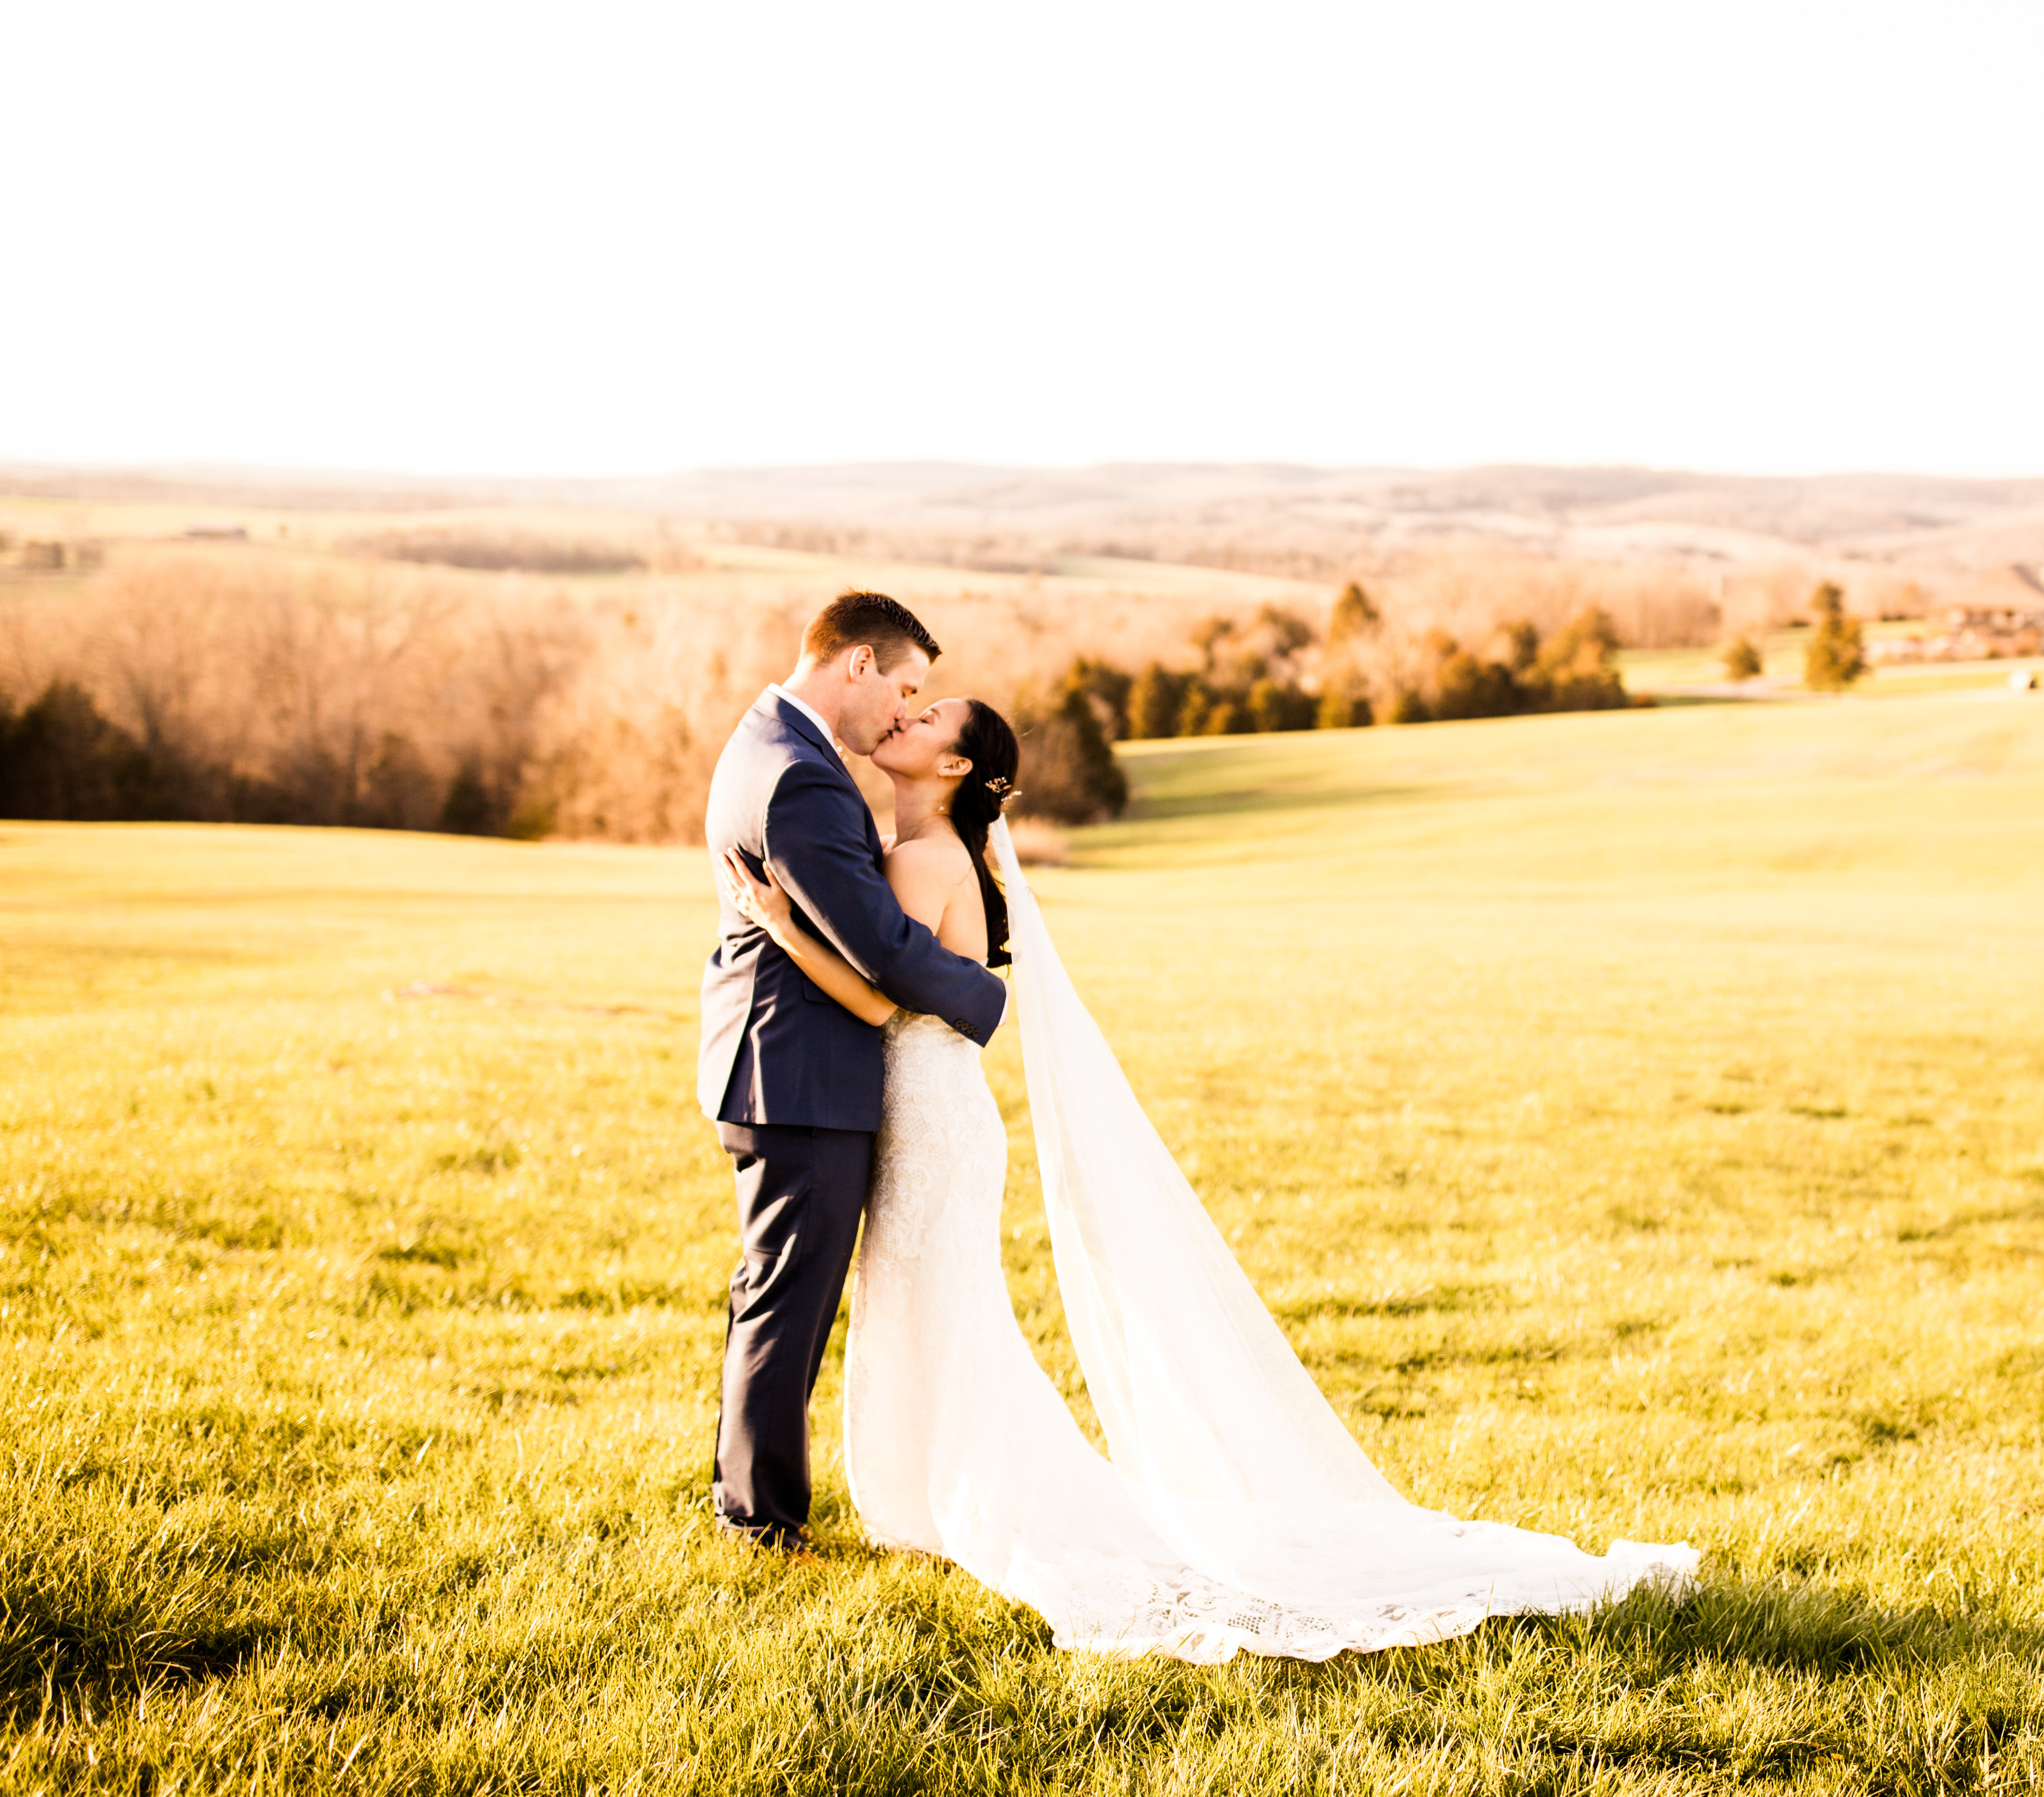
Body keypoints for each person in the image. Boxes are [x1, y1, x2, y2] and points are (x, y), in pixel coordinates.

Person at [719, 686, 1697, 1660]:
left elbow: (878, 998)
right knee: (936, 1315)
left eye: (929, 719)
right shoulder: (932, 852)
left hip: (931, 1122)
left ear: (954, 768)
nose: (908, 718)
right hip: (929, 1118)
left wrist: (781, 923)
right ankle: (931, 1499)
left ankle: (974, 1502)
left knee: (946, 1316)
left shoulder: (924, 860)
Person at [696, 591, 1006, 1553]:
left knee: (781, 1293)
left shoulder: (772, 746)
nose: (905, 710)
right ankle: (759, 1522)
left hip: (789, 1069)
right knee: (789, 1301)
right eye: (905, 686)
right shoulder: (799, 778)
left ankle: (755, 1501)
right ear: (857, 666)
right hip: (799, 1075)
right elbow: (880, 950)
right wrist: (988, 1000)